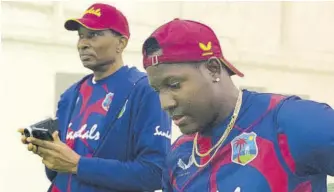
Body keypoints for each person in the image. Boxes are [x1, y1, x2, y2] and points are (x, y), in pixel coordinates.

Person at [141, 18, 334, 192]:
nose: (165, 103)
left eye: (174, 85)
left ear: (213, 68)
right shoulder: (179, 154)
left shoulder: (289, 121)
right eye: (158, 90)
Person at [19, 3, 172, 192]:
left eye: (93, 35)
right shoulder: (71, 95)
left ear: (121, 43)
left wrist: (78, 164)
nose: (83, 43)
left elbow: (155, 173)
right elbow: (58, 173)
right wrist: (49, 154)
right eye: (81, 36)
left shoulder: (144, 90)